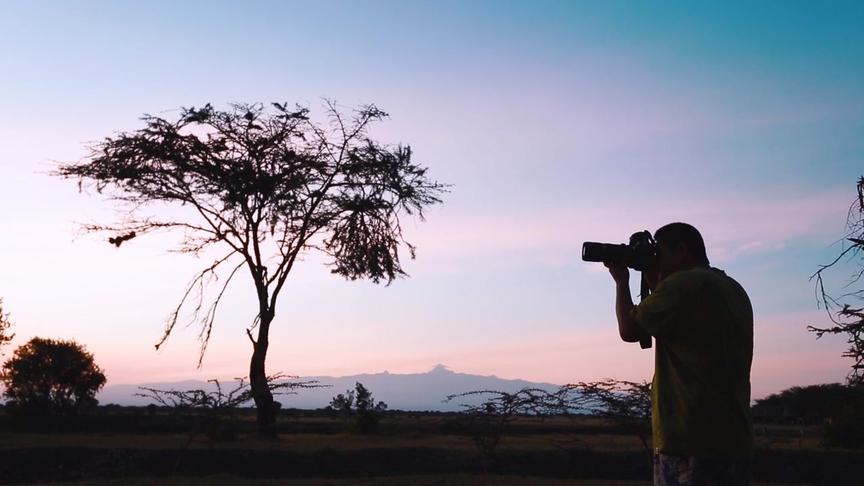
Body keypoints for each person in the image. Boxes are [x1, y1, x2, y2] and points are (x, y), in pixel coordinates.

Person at [606, 222, 753, 485]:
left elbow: (630, 330)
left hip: (690, 439)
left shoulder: (684, 284)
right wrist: (654, 275)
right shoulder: (732, 288)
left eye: (659, 253)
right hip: (733, 437)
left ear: (682, 250)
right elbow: (669, 322)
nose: (657, 260)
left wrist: (621, 281)